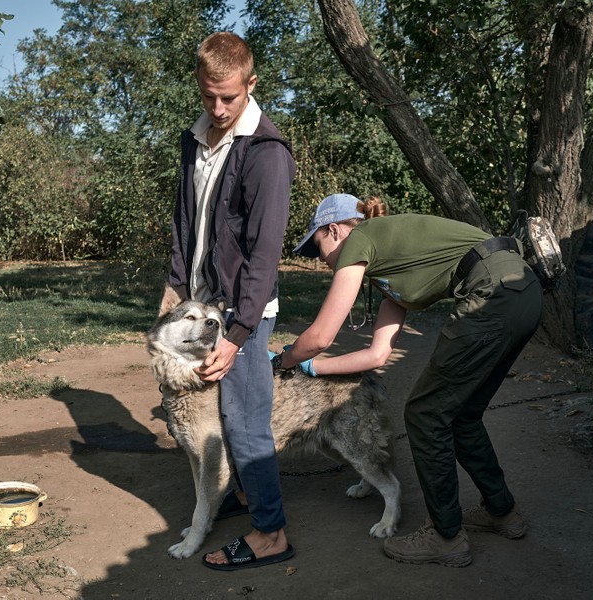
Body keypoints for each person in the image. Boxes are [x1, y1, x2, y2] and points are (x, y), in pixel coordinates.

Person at [274, 193, 542, 567]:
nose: (319, 259)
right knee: (461, 415)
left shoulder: (360, 239)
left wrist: (286, 359)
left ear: (334, 230)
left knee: (424, 414)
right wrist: (313, 368)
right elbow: (377, 355)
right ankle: (501, 511)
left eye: (316, 246)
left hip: (493, 294)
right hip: (522, 292)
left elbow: (320, 337)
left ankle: (445, 535)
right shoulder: (391, 264)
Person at [168, 31, 296, 571]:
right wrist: (171, 296)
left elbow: (265, 253)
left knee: (245, 421)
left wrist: (239, 335)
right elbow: (183, 226)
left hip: (241, 314)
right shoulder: (195, 141)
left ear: (251, 84)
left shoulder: (266, 153)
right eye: (208, 96)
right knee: (219, 411)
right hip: (199, 304)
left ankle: (271, 534)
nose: (218, 109)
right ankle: (241, 497)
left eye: (229, 97)